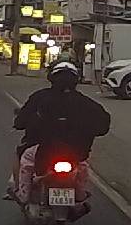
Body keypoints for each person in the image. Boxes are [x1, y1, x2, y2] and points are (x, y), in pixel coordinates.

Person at [10, 61, 110, 212]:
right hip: (76, 154)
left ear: (52, 78)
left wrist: (23, 123)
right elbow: (103, 126)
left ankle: (23, 193)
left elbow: (20, 121)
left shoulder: (40, 98)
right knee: (82, 166)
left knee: (23, 156)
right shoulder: (86, 103)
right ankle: (80, 195)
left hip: (43, 152)